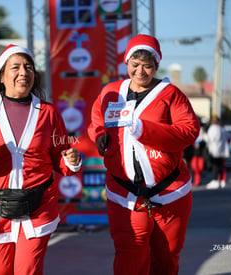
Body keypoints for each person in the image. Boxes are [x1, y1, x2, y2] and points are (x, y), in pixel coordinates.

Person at [0, 44, 81, 275]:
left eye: (29, 67)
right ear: (2, 76)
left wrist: (71, 160)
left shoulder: (48, 113)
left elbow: (61, 158)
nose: (24, 73)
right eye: (15, 67)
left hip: (37, 207)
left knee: (28, 271)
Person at [88, 34, 200, 275]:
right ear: (126, 62)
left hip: (169, 194)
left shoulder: (171, 94)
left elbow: (189, 131)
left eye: (147, 66)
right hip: (123, 194)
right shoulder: (111, 92)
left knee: (165, 259)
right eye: (134, 64)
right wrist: (99, 136)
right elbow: (97, 119)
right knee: (129, 256)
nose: (140, 71)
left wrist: (144, 130)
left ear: (156, 65)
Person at [204, 115, 230, 189]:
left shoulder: (213, 128)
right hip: (222, 150)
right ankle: (221, 181)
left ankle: (215, 180)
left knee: (215, 166)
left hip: (214, 150)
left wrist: (204, 136)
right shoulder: (222, 129)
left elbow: (210, 139)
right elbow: (228, 138)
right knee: (220, 166)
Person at [190, 120, 207, 186]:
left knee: (199, 168)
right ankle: (196, 181)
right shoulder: (193, 132)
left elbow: (205, 142)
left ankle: (197, 181)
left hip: (200, 154)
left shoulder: (203, 134)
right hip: (194, 154)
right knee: (194, 168)